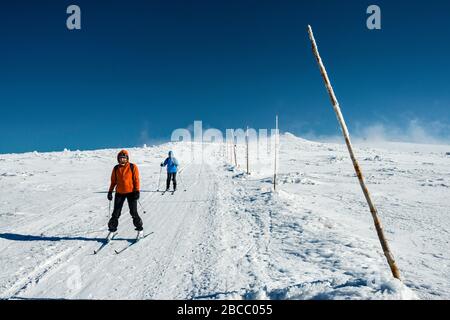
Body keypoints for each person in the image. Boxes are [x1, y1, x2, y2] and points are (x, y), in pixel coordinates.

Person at [107, 150, 143, 241]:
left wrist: (137, 191)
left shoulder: (132, 166)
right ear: (118, 159)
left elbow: (136, 180)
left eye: (124, 158)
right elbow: (113, 182)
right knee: (116, 213)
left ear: (127, 158)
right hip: (119, 193)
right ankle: (112, 230)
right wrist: (110, 192)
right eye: (120, 158)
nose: (122, 159)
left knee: (133, 212)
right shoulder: (116, 168)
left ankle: (140, 230)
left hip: (131, 192)